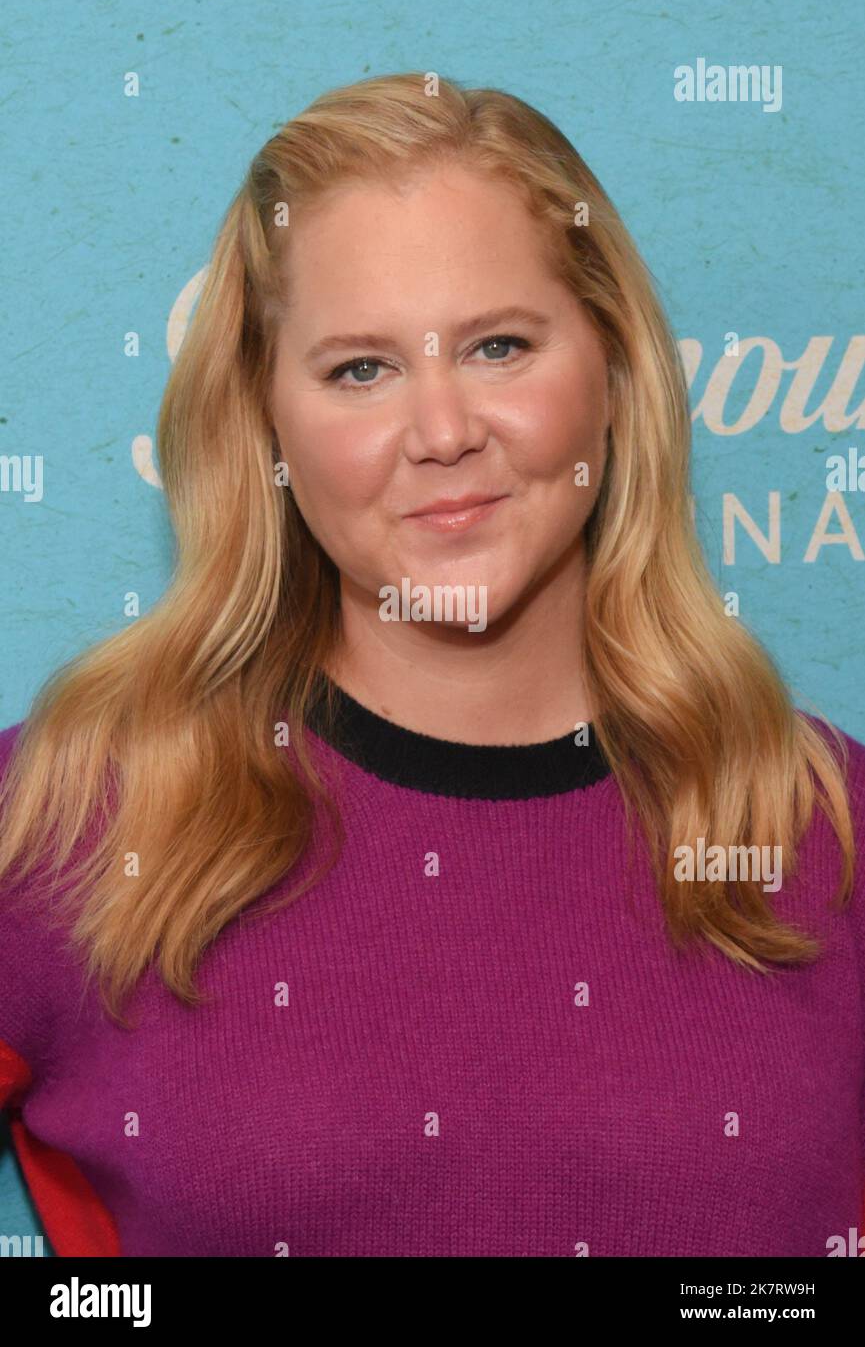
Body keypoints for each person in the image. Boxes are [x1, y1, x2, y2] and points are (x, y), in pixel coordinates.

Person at [0, 71, 863, 1258]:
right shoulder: (63, 815)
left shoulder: (828, 826)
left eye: (499, 345)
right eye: (361, 369)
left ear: (614, 373)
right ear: (264, 424)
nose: (444, 430)